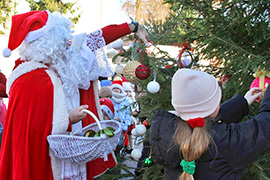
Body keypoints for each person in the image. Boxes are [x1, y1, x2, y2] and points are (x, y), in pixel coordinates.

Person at [0, 10, 149, 180]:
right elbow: (31, 131)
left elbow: (98, 37)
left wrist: (133, 27)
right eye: (63, 41)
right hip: (48, 161)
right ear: (50, 44)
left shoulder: (65, 60)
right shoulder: (30, 78)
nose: (68, 44)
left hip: (75, 150)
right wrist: (68, 119)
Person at [149, 68, 269, 180]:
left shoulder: (168, 135)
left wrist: (243, 102)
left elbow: (209, 121)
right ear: (214, 107)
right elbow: (266, 124)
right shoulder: (225, 142)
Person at [110, 80, 132, 154]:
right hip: (112, 125)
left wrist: (127, 122)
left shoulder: (126, 100)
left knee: (120, 142)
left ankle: (119, 155)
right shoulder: (110, 99)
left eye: (118, 88)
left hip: (122, 124)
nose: (116, 89)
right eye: (114, 88)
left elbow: (128, 113)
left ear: (121, 90)